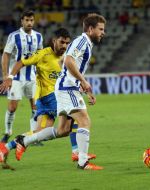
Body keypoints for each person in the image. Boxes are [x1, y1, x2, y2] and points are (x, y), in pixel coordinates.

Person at [0, 13, 106, 170]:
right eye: (101, 29)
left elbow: (68, 63)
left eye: (66, 43)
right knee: (83, 120)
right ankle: (81, 159)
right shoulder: (75, 44)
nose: (103, 32)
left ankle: (18, 143)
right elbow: (23, 61)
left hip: (61, 90)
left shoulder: (76, 47)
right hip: (52, 95)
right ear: (91, 29)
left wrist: (81, 84)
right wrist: (9, 76)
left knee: (62, 130)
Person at [1, 10, 43, 143]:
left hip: (32, 77)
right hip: (16, 78)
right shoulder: (14, 36)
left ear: (34, 21)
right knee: (13, 107)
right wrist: (6, 76)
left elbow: (40, 56)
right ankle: (7, 132)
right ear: (22, 21)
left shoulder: (39, 36)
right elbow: (6, 55)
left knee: (35, 106)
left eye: (31, 20)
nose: (29, 23)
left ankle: (33, 136)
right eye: (27, 20)